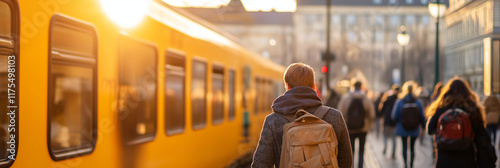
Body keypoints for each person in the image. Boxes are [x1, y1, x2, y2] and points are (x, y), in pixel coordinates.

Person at [251, 63, 352, 168]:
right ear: (313, 86)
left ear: (287, 86)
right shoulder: (335, 116)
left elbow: (260, 164)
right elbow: (346, 161)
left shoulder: (273, 121)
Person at [427, 77, 496, 168]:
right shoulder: (471, 108)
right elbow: (481, 136)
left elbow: (430, 129)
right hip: (466, 158)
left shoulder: (442, 107)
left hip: (444, 159)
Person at [337, 81, 375, 168]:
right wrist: (368, 125)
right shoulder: (366, 99)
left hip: (350, 129)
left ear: (352, 86)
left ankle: (352, 166)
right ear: (361, 87)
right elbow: (372, 115)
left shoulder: (346, 98)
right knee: (361, 150)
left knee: (351, 151)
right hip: (363, 128)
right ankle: (360, 166)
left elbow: (340, 112)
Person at [392, 81, 425, 168]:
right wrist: (422, 126)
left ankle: (405, 164)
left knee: (404, 147)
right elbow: (422, 116)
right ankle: (411, 165)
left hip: (402, 128)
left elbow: (394, 116)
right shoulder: (418, 102)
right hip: (414, 128)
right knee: (412, 147)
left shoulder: (399, 101)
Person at [379, 84, 400, 159]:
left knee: (385, 136)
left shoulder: (387, 99)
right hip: (394, 122)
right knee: (394, 138)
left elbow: (381, 110)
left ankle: (385, 148)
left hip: (386, 121)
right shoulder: (399, 100)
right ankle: (393, 153)